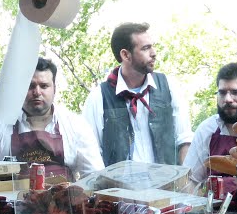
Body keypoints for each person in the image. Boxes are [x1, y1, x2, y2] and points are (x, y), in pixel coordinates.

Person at [0, 57, 103, 180]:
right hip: (10, 205)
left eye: (44, 86)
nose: (37, 92)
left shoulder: (76, 124)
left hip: (63, 204)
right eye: (30, 86)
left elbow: (94, 177)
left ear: (54, 89)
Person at [82, 22, 192, 166]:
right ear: (126, 55)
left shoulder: (169, 86)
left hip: (166, 186)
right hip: (119, 187)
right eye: (146, 48)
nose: (154, 53)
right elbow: (90, 153)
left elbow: (184, 139)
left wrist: (185, 182)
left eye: (152, 46)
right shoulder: (99, 97)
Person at [182, 62, 237, 185]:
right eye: (222, 93)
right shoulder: (207, 129)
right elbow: (190, 181)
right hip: (215, 204)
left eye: (236, 92)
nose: (228, 99)